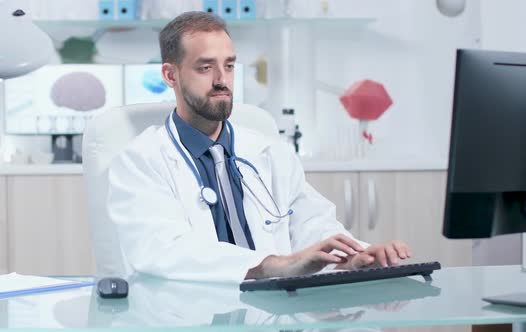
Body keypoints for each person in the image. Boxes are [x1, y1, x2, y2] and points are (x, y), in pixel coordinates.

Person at [107, 11, 411, 283]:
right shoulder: (140, 160)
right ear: (170, 75)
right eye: (204, 68)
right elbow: (163, 251)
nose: (221, 80)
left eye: (228, 65)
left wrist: (352, 256)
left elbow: (312, 223)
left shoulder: (270, 152)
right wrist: (271, 265)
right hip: (192, 315)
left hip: (274, 314)